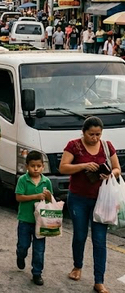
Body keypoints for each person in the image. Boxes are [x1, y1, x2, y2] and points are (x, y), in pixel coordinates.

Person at [58, 117, 122, 293]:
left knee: (99, 240)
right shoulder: (74, 145)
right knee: (80, 235)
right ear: (83, 132)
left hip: (102, 200)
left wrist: (110, 174)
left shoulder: (107, 146)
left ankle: (99, 280)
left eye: (98, 134)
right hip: (78, 198)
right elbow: (63, 168)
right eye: (91, 134)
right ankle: (77, 266)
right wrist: (83, 165)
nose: (94, 138)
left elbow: (117, 168)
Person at [15, 150, 53, 286]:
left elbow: (50, 200)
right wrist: (35, 197)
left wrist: (48, 197)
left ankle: (37, 273)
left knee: (39, 250)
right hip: (25, 220)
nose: (35, 169)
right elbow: (19, 197)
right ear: (27, 166)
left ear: (43, 166)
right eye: (32, 166)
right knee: (23, 245)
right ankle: (20, 255)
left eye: (38, 166)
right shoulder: (23, 180)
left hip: (40, 222)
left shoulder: (46, 181)